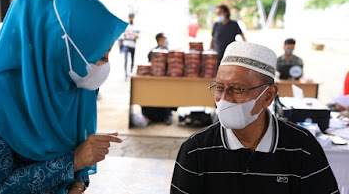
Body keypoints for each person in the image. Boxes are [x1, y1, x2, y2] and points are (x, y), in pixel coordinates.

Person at [0, 0, 127, 194]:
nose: (103, 66)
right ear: (63, 49)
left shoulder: (73, 83)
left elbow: (80, 149)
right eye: (100, 57)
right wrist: (73, 161)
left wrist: (78, 184)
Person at [171, 41, 338, 194]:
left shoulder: (302, 148)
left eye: (238, 89)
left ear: (268, 95)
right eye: (220, 87)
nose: (225, 99)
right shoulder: (196, 150)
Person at [143, 33, 173, 125]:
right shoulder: (153, 52)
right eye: (164, 38)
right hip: (155, 81)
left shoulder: (168, 51)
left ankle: (167, 115)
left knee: (167, 96)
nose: (166, 40)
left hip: (165, 81)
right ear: (159, 39)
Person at [121, 13, 139, 80]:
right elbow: (121, 36)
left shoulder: (136, 26)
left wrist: (136, 35)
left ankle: (131, 72)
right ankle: (125, 74)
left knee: (132, 59)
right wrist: (125, 34)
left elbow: (139, 35)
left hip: (133, 45)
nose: (131, 19)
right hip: (126, 44)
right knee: (126, 60)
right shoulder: (125, 26)